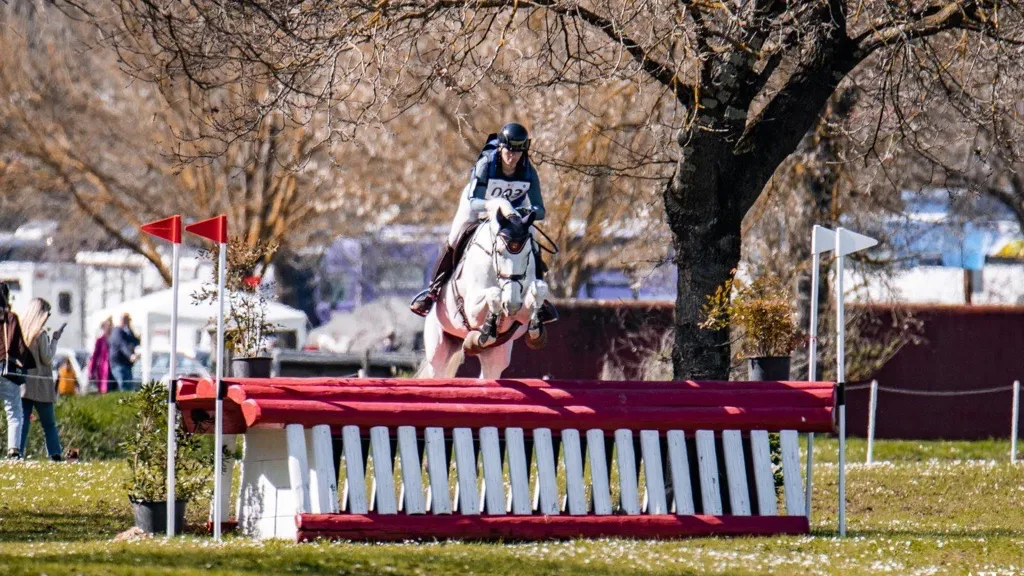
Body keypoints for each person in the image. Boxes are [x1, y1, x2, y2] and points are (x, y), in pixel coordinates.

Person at [410, 122, 557, 323]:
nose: (512, 156)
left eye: (517, 152)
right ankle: (432, 292)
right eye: (508, 150)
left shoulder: (528, 171)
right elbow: (474, 201)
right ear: (500, 147)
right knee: (455, 238)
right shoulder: (487, 163)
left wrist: (523, 212)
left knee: (531, 240)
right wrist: (495, 205)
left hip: (513, 212)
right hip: (479, 205)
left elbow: (540, 210)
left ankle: (539, 299)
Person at [19, 298, 64, 461]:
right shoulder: (41, 333)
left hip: (25, 383)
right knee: (49, 424)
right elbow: (47, 358)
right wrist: (55, 339)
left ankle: (17, 453)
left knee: (23, 422)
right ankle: (55, 454)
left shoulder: (22, 331)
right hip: (41, 384)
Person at [0, 283, 36, 459]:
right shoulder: (11, 318)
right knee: (13, 411)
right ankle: (13, 450)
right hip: (7, 368)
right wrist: (28, 364)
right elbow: (20, 345)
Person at [108, 313, 140, 392]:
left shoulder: (127, 331)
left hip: (127, 364)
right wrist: (130, 356)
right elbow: (122, 345)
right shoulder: (117, 331)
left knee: (128, 386)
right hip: (118, 364)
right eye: (125, 319)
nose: (127, 322)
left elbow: (135, 341)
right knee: (124, 386)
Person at [87, 318, 113, 393]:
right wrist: (91, 371)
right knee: (104, 389)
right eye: (108, 326)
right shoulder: (100, 340)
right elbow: (95, 356)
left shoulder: (114, 339)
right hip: (104, 369)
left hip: (113, 368)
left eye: (110, 326)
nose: (109, 328)